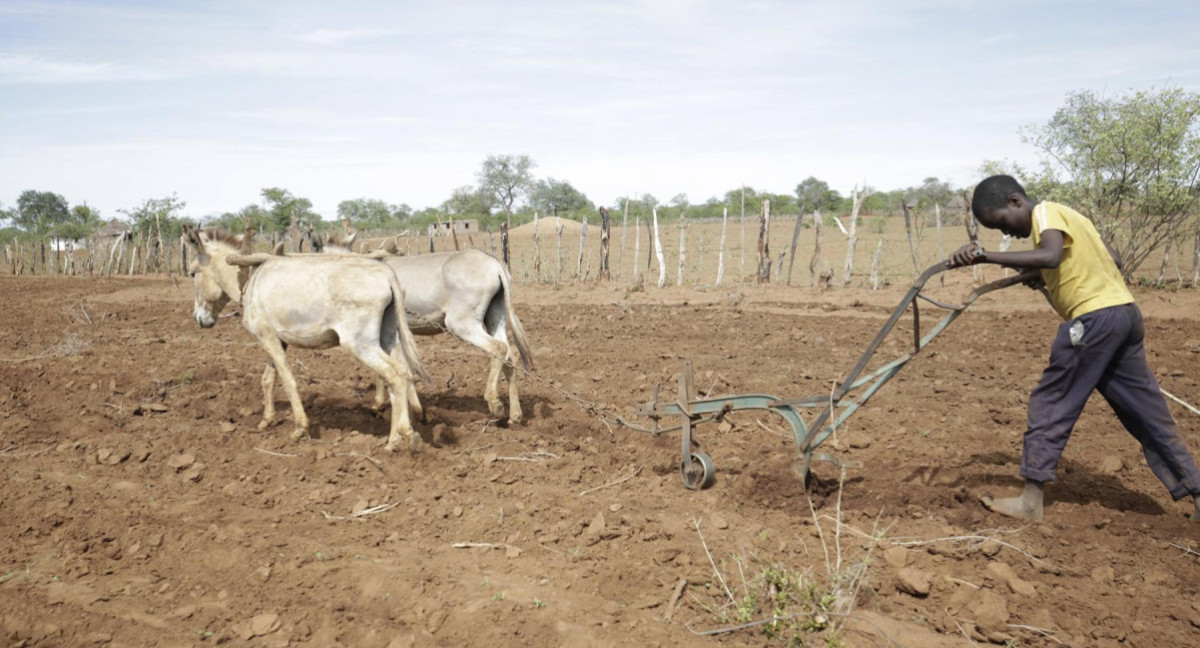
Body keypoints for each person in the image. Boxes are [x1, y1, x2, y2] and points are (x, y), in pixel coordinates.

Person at [949, 174, 1200, 522]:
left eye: (1002, 224)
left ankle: (1030, 502)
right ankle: (1197, 491)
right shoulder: (1075, 218)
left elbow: (1051, 256)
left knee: (1051, 401)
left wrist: (984, 255)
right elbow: (1112, 259)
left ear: (1015, 201)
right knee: (1147, 412)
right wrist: (1040, 274)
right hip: (1124, 315)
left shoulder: (1046, 213)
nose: (1007, 234)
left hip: (1093, 321)